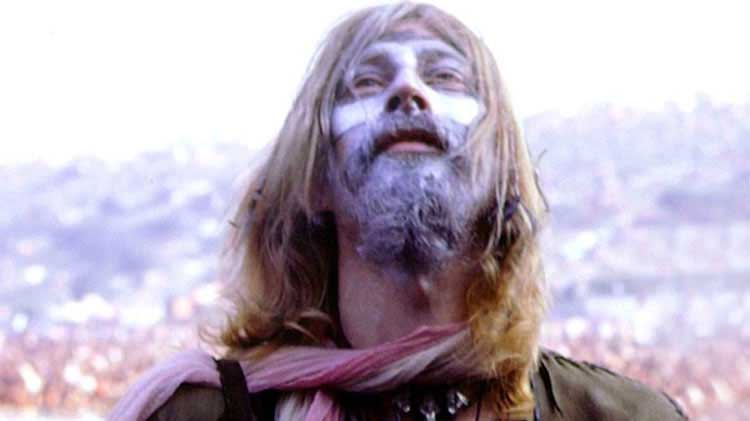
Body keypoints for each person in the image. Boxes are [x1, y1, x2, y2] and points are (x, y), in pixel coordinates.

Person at [110, 3, 687, 420]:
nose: (408, 90)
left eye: (445, 77)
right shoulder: (198, 415)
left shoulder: (622, 416)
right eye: (366, 81)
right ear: (314, 182)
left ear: (502, 177)